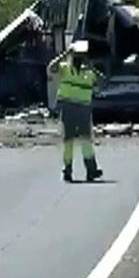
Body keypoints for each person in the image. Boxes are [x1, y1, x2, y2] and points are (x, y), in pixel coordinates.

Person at [48, 40, 103, 182]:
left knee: (71, 140)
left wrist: (67, 54)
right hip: (78, 109)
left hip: (74, 109)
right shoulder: (68, 69)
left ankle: (76, 169)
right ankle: (86, 169)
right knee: (79, 140)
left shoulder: (81, 71)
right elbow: (51, 67)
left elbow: (51, 67)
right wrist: (66, 54)